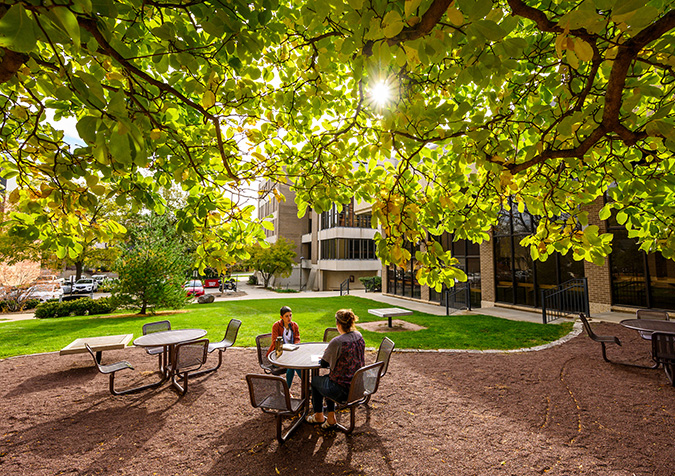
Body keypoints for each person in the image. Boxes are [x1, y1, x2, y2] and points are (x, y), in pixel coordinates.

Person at [306, 308, 365, 429]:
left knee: (316, 382)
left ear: (338, 324)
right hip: (358, 385)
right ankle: (331, 418)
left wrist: (328, 353)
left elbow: (323, 363)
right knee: (328, 378)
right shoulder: (359, 336)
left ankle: (319, 416)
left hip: (342, 390)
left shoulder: (337, 342)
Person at [267, 305, 301, 388]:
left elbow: (297, 338)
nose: (289, 318)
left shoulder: (294, 325)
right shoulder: (276, 326)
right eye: (286, 316)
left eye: (290, 315)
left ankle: (287, 389)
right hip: (278, 355)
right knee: (293, 365)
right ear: (281, 317)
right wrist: (286, 349)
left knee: (293, 364)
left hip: (291, 354)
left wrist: (294, 346)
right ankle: (308, 385)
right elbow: (275, 342)